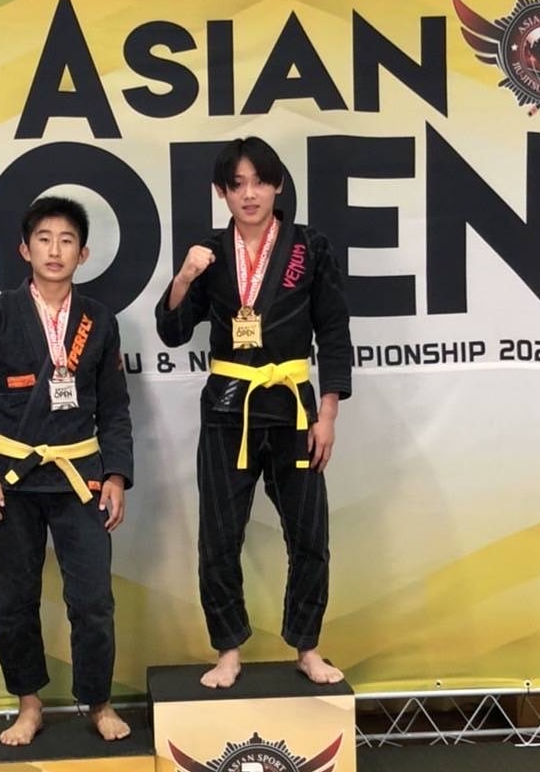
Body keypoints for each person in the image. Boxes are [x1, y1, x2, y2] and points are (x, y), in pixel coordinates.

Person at [155, 136, 351, 689]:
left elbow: (334, 330)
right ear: (221, 192)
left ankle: (307, 647)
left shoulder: (309, 247)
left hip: (293, 409)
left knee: (310, 534)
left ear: (278, 185)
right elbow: (172, 332)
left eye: (260, 181)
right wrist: (185, 277)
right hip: (228, 410)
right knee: (219, 537)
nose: (249, 194)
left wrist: (328, 414)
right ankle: (227, 650)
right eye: (237, 184)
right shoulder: (209, 253)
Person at [0, 195, 133, 745]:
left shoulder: (100, 320)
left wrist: (117, 476)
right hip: (11, 481)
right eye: (44, 239)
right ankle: (28, 705)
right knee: (12, 602)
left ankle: (98, 703)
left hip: (81, 479)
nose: (55, 250)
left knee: (94, 602)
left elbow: (116, 407)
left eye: (67, 241)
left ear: (83, 254)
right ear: (24, 249)